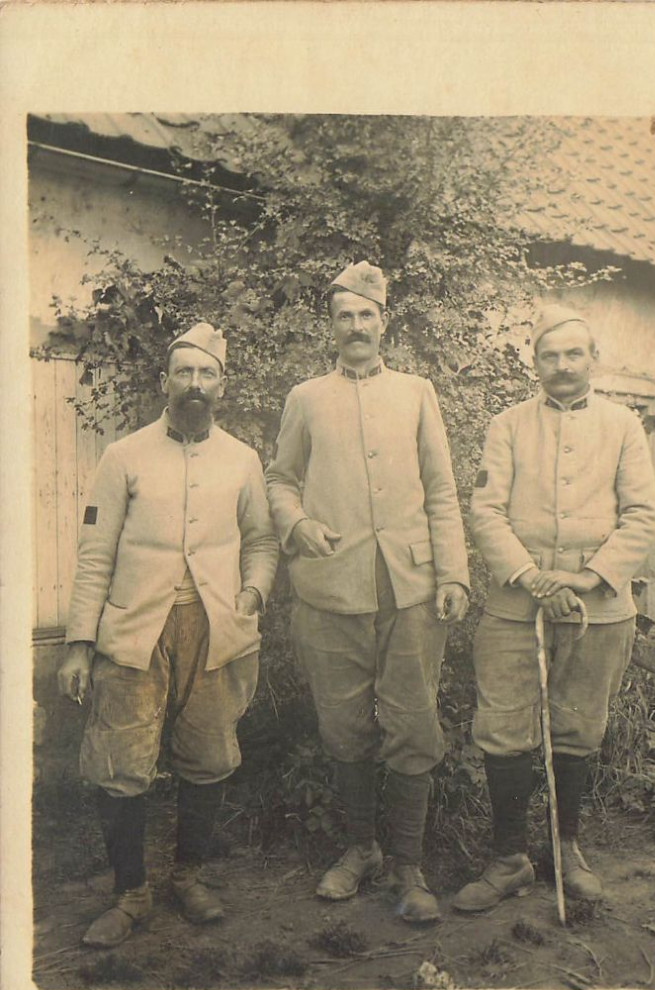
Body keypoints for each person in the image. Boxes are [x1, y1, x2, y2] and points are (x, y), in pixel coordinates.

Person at [58, 322, 279, 947]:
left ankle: (190, 876)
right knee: (120, 762)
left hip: (215, 630)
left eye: (207, 374)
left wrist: (251, 594)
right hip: (134, 630)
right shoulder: (123, 456)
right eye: (184, 373)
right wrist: (80, 642)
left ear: (222, 386)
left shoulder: (242, 459)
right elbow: (95, 550)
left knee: (208, 756)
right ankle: (130, 892)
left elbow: (262, 540)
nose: (195, 385)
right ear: (165, 381)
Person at [266, 262, 470, 923]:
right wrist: (297, 525)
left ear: (385, 322)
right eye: (344, 317)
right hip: (330, 589)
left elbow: (441, 490)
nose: (356, 327)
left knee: (412, 725)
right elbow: (278, 481)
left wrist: (453, 573)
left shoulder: (415, 392)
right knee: (344, 728)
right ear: (329, 326)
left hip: (409, 588)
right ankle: (361, 849)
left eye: (366, 315)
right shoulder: (306, 398)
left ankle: (408, 867)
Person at [453, 303, 655, 912]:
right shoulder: (508, 425)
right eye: (551, 355)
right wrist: (530, 576)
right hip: (517, 607)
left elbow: (643, 515)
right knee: (503, 727)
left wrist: (588, 576)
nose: (563, 366)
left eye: (574, 354)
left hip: (599, 610)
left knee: (578, 725)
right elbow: (486, 511)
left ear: (593, 359)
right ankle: (508, 859)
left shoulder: (624, 426)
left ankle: (566, 849)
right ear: (535, 363)